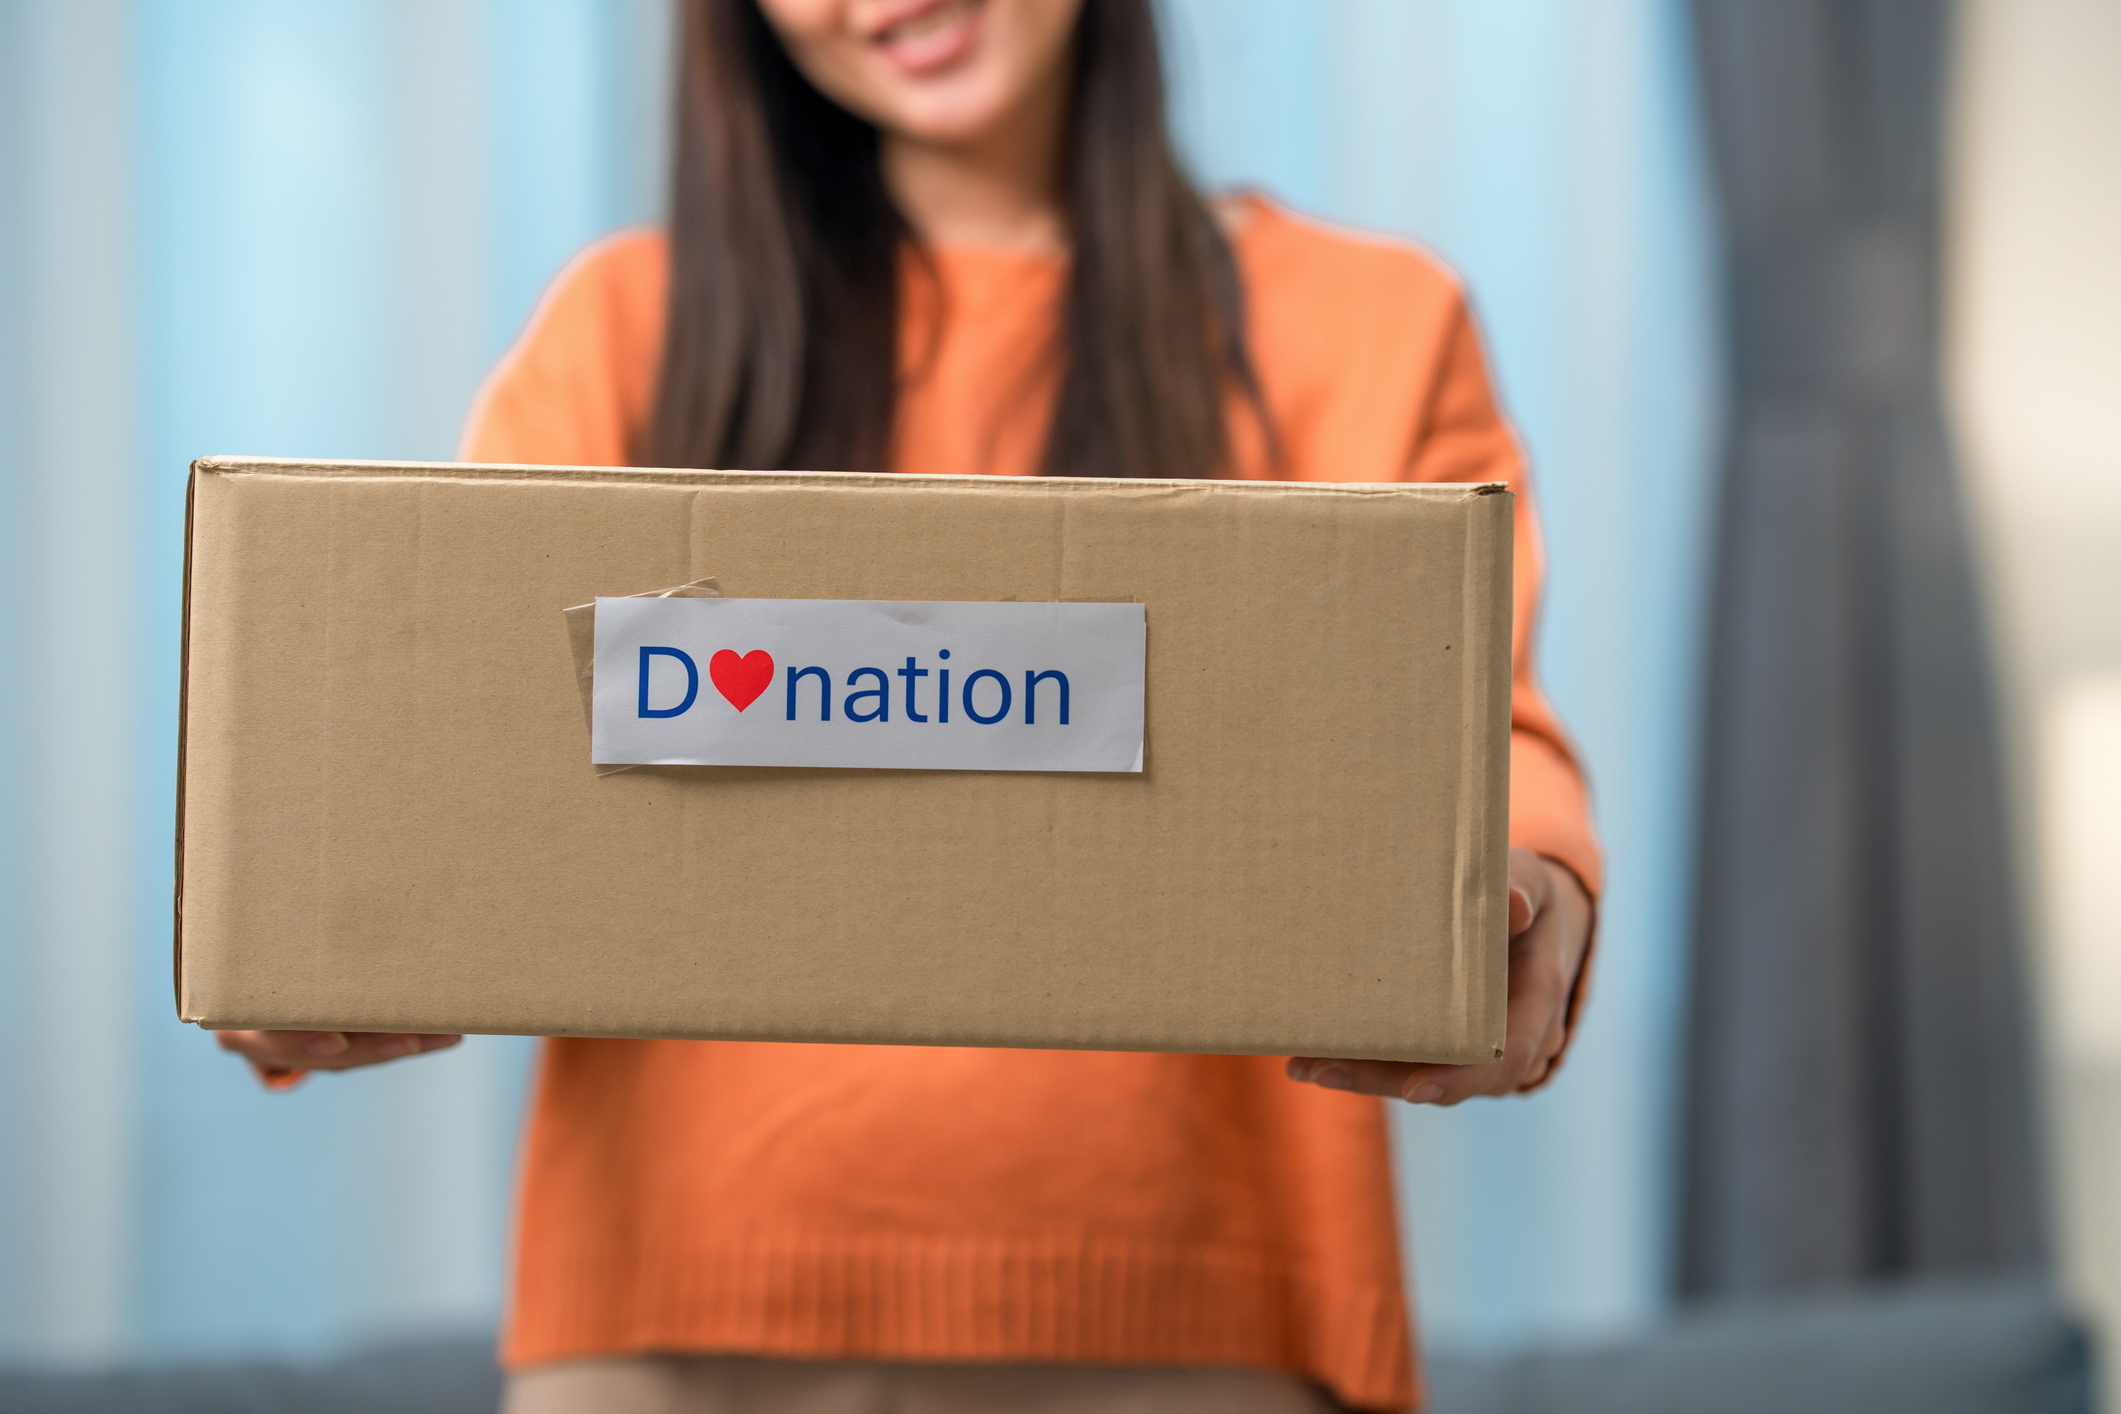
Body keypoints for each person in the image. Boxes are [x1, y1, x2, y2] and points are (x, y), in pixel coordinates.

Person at [216, 1, 1600, 1409]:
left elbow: (1483, 743)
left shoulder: (1369, 326)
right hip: (669, 1333)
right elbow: (457, 746)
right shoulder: (626, 328)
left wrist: (1530, 896)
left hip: (1202, 1320)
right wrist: (312, 940)